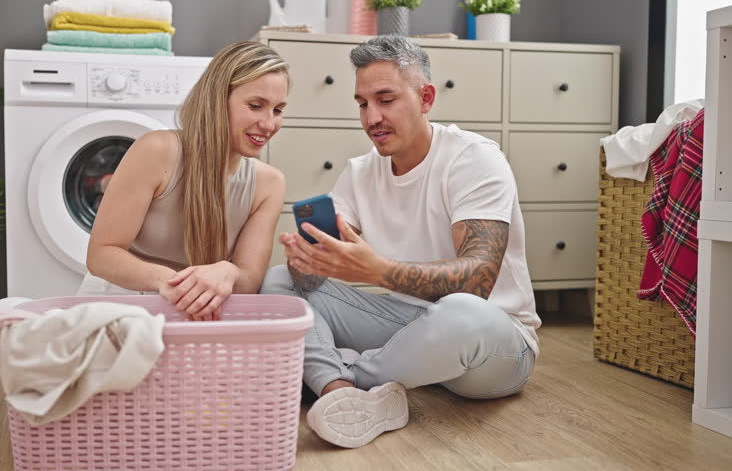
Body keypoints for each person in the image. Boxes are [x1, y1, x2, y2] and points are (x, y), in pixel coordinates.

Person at [261, 35, 541, 448]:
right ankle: (344, 392)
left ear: (426, 97)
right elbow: (315, 273)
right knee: (279, 284)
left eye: (386, 99)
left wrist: (378, 270)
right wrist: (307, 263)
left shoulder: (474, 159)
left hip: (493, 345)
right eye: (362, 103)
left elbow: (478, 280)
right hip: (405, 327)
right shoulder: (360, 173)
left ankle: (341, 379)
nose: (371, 117)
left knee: (461, 311)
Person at [80, 41, 288, 322]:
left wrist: (229, 272)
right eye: (255, 106)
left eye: (277, 110)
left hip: (198, 306)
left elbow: (249, 279)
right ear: (217, 100)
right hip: (125, 298)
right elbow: (101, 255)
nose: (269, 124)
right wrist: (168, 282)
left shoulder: (269, 185)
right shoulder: (157, 151)